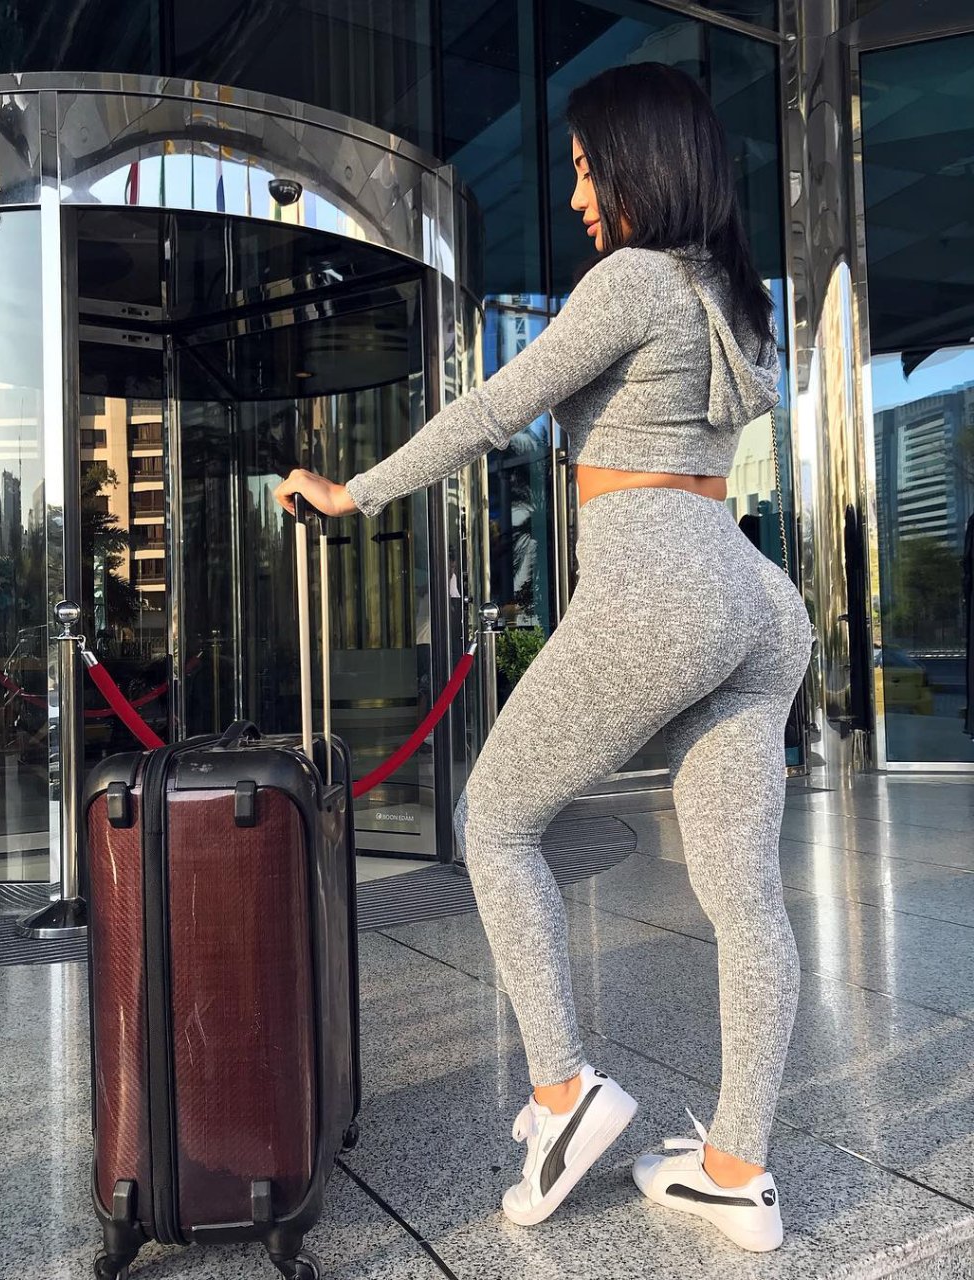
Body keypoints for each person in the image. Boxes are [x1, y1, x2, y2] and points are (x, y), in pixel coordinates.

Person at [274, 62, 813, 1255]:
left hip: (664, 583)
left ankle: (564, 1091)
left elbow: (492, 408)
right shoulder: (731, 296)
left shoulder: (635, 279)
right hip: (753, 593)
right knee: (744, 897)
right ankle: (737, 1167)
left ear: (638, 165)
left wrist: (352, 490)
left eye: (584, 169)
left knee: (497, 819)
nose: (575, 196)